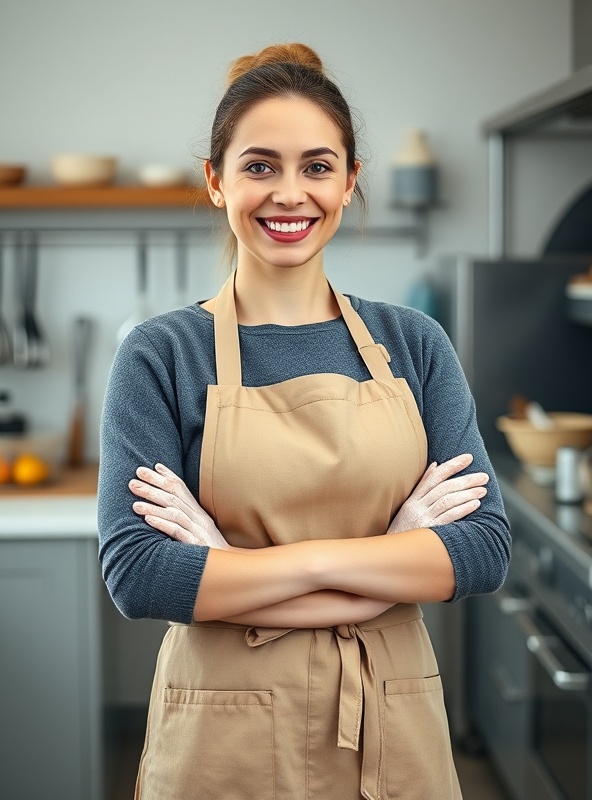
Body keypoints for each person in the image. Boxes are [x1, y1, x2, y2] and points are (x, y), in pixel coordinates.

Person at [98, 43, 510, 800]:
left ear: (350, 182)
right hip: (221, 734)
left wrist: (226, 562)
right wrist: (391, 552)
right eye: (260, 167)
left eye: (317, 167)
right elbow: (141, 574)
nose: (290, 194)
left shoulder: (414, 343)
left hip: (392, 723)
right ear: (216, 181)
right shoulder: (162, 355)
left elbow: (482, 549)